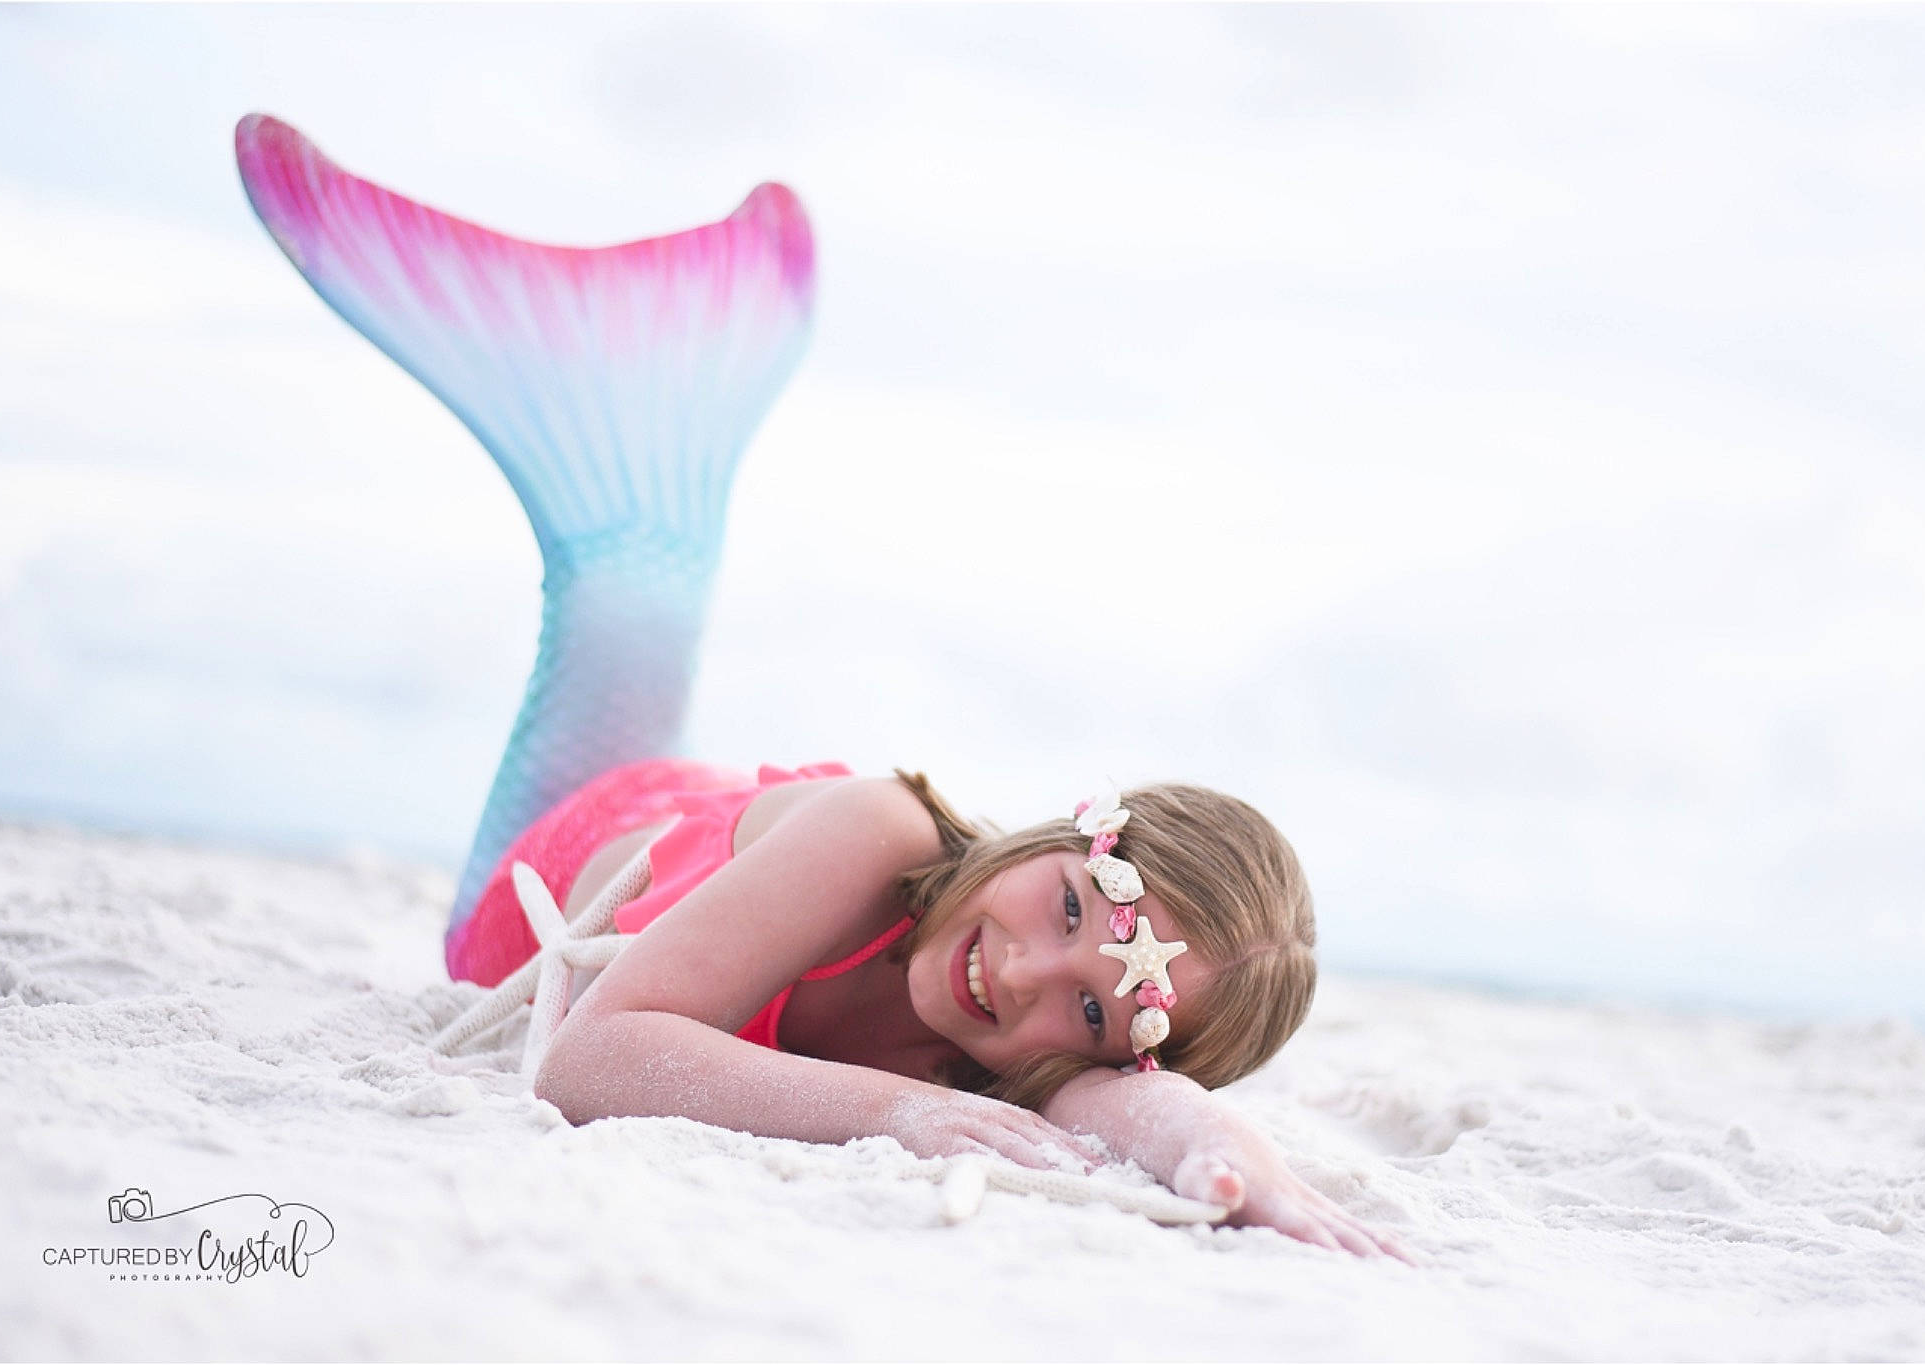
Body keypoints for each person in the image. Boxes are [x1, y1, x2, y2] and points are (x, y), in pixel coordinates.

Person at [236, 113, 1406, 1259]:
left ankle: (651, 387)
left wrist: (1228, 1156)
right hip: (584, 840)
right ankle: (631, 353)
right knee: (630, 589)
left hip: (657, 867)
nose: (1022, 975)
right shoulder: (881, 829)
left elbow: (1142, 1111)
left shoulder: (1019, 1068)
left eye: (1095, 1010)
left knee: (642, 583)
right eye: (1065, 908)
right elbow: (588, 1059)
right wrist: (895, 1110)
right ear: (1067, 833)